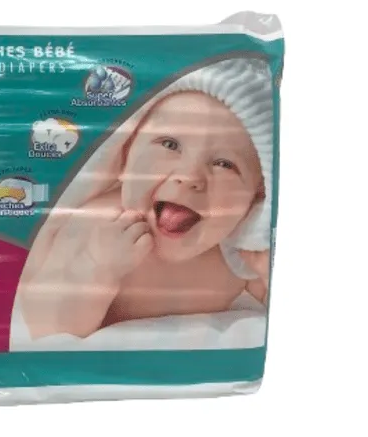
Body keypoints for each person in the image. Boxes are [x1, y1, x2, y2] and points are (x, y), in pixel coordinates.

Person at [17, 57, 274, 339]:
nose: (189, 176)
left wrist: (266, 274)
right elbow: (44, 325)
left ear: (255, 196)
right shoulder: (99, 228)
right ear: (124, 155)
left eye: (224, 164)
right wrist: (95, 268)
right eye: (170, 144)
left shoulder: (237, 257)